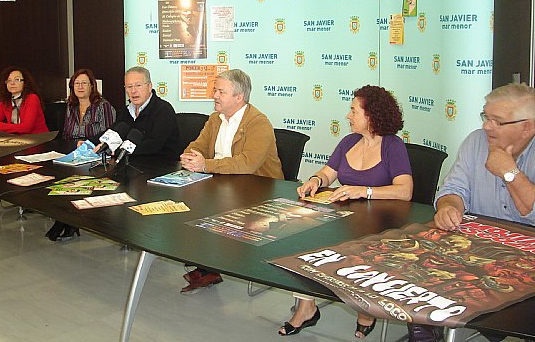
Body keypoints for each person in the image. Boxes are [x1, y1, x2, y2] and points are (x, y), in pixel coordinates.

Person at [278, 85, 412, 337]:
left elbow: (405, 191)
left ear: (371, 115)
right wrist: (315, 180)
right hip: (343, 220)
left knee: (360, 250)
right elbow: (328, 173)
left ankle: (366, 308)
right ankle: (306, 308)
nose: (348, 116)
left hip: (381, 225)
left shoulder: (393, 146)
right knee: (302, 241)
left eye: (353, 111)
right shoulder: (348, 142)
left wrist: (364, 191)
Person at [409, 83, 535, 342]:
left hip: (526, 257)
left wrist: (509, 171)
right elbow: (453, 189)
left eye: (497, 121)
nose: (487, 126)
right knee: (417, 259)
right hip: (478, 248)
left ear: (527, 127)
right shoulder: (475, 142)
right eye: (485, 117)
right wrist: (449, 207)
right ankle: (427, 330)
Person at [180, 69, 283, 293]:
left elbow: (247, 164)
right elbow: (198, 145)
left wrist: (206, 165)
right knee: (186, 204)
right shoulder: (214, 119)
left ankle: (211, 264)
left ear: (239, 97)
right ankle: (205, 264)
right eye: (215, 90)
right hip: (222, 184)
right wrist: (190, 156)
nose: (214, 95)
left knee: (209, 209)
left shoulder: (258, 123)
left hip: (258, 191)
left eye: (221, 92)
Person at [46, 68, 116, 241]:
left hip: (97, 154)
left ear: (92, 86)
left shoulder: (103, 106)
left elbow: (110, 133)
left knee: (75, 176)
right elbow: (66, 134)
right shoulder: (71, 106)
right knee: (57, 172)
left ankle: (68, 221)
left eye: (84, 83)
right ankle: (64, 218)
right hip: (74, 153)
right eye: (76, 83)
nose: (80, 86)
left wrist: (87, 142)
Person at [113, 66, 180, 158]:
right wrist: (97, 144)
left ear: (149, 86)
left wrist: (119, 150)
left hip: (161, 164)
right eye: (129, 86)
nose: (133, 91)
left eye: (138, 85)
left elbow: (153, 145)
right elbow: (114, 131)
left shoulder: (164, 110)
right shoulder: (126, 111)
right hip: (130, 163)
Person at [0, 66, 48, 134]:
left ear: (25, 83)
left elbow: (27, 127)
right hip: (16, 138)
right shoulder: (5, 101)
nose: (12, 83)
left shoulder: (32, 98)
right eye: (9, 80)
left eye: (17, 79)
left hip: (37, 137)